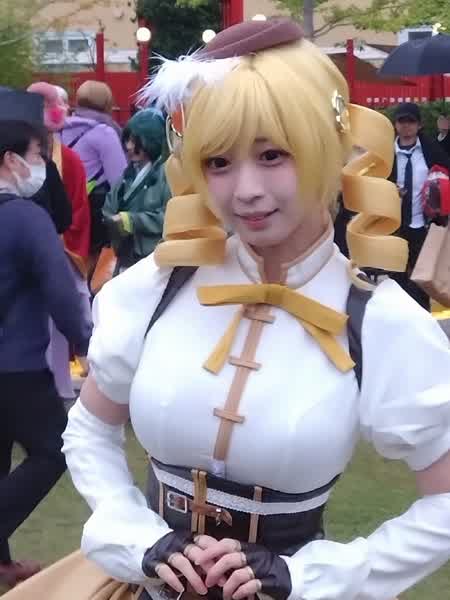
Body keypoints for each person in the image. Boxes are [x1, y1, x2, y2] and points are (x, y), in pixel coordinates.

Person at [5, 18, 450, 600]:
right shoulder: (158, 287)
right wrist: (139, 537)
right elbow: (89, 427)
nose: (245, 191)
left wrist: (310, 575)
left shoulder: (381, 320)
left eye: (272, 155)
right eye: (218, 162)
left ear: (325, 149)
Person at [0, 95, 92, 588]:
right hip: (16, 365)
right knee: (54, 449)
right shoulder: (25, 217)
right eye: (37, 155)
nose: (41, 165)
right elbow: (60, 289)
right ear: (10, 160)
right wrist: (85, 343)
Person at [28, 81, 92, 397]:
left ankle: (60, 386)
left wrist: (57, 241)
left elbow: (78, 209)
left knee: (57, 325)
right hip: (29, 250)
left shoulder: (70, 160)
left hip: (59, 251)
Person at [389, 102, 450, 310]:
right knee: (395, 277)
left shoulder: (430, 149)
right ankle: (398, 315)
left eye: (411, 121)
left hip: (421, 225)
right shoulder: (386, 153)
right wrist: (389, 190)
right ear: (395, 124)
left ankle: (422, 316)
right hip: (393, 226)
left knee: (421, 279)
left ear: (419, 125)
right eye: (401, 121)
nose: (406, 126)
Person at [61, 80, 128, 254]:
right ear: (107, 103)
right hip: (93, 209)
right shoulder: (105, 132)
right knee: (96, 261)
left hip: (64, 204)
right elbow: (118, 179)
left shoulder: (60, 129)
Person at [102, 108, 170, 272]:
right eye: (127, 140)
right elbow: (109, 206)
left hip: (154, 260)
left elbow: (170, 217)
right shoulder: (129, 173)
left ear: (152, 141)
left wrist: (131, 220)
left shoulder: (168, 173)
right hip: (126, 256)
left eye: (135, 141)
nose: (129, 146)